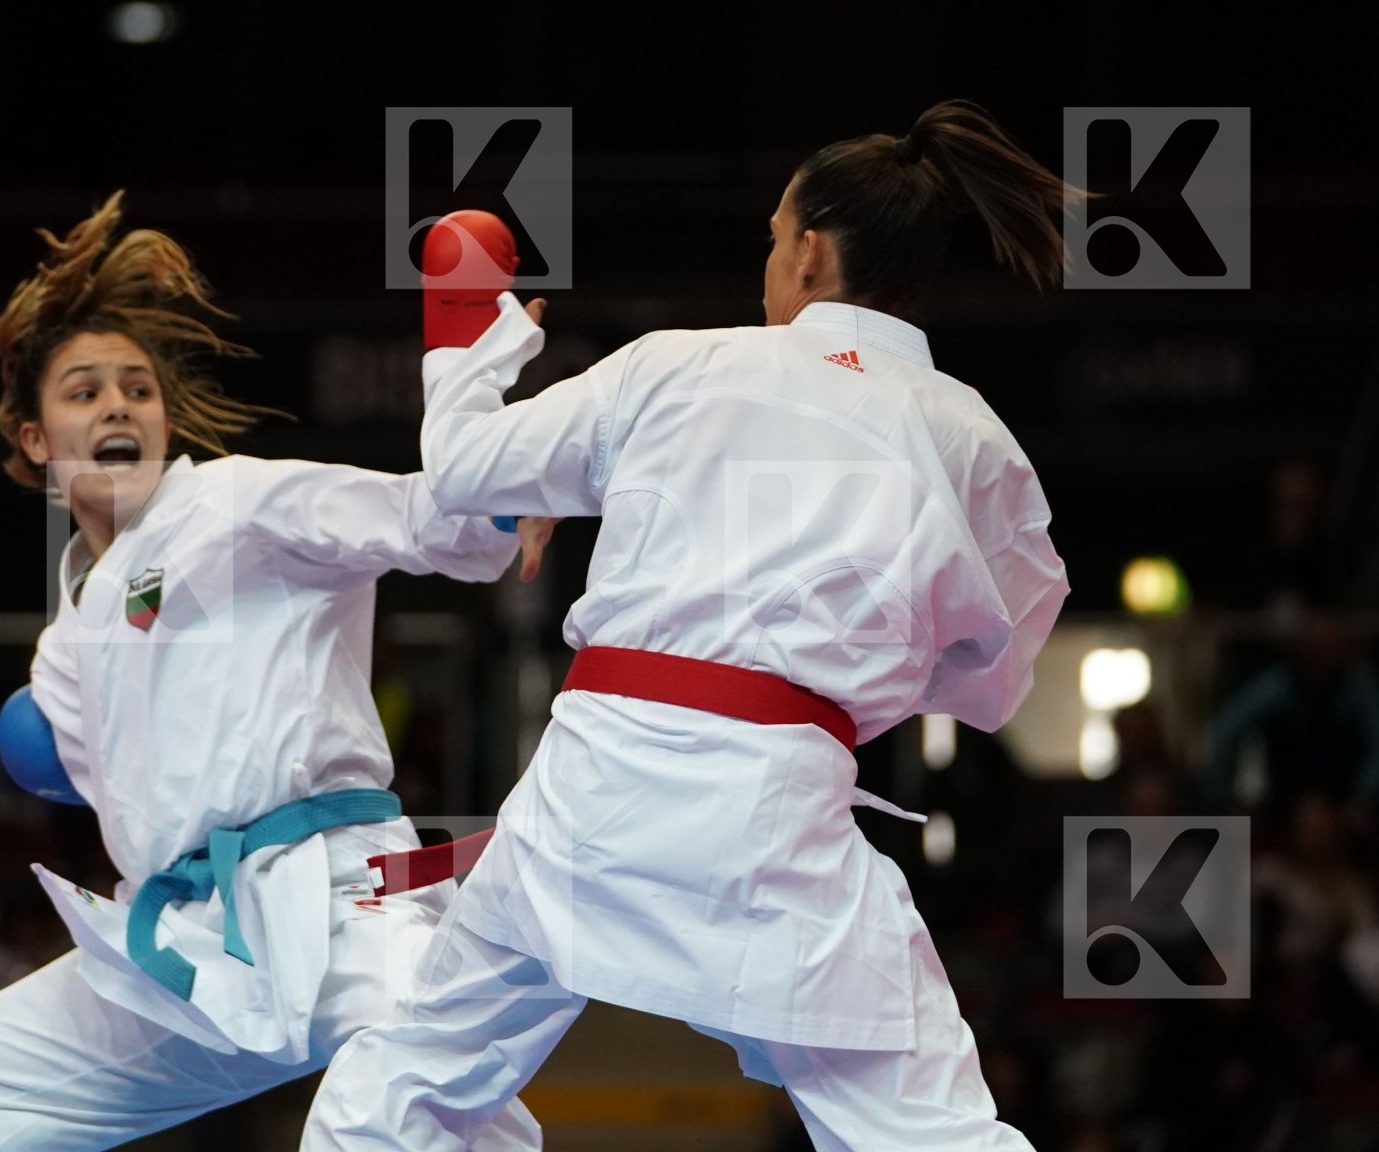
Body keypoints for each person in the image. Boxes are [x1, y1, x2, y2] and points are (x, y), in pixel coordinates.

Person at [303, 101, 1073, 1151]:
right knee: (932, 1130)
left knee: (411, 1078)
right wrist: (841, 665)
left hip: (595, 793)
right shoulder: (974, 438)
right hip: (781, 809)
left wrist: (470, 345)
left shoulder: (677, 364)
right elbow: (992, 680)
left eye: (773, 237)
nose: (769, 263)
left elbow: (462, 470)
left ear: (809, 252)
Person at [0, 191, 549, 1149]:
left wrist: (503, 476)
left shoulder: (235, 505)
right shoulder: (65, 645)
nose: (118, 403)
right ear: (35, 440)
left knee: (428, 1110)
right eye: (84, 392)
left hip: (337, 902)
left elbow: (433, 524)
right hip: (185, 942)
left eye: (137, 389)